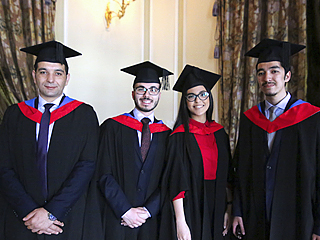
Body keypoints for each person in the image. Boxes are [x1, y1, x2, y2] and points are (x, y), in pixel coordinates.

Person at [0, 41, 102, 239]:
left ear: (67, 78)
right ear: (33, 75)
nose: (50, 79)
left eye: (58, 73)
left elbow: (87, 166)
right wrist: (30, 212)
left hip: (66, 217)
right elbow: (4, 167)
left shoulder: (84, 115)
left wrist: (51, 212)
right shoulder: (14, 115)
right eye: (43, 72)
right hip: (22, 218)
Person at [232, 39, 320, 240]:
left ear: (287, 75)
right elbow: (241, 171)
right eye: (261, 72)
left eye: (274, 71)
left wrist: (319, 226)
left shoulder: (311, 118)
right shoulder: (250, 120)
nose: (267, 77)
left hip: (298, 217)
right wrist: (237, 210)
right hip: (257, 217)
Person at [98, 61, 172, 240]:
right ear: (133, 93)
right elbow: (102, 173)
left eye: (153, 89)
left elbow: (169, 179)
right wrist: (125, 210)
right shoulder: (112, 128)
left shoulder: (168, 135)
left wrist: (147, 211)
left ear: (159, 95)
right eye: (141, 89)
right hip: (117, 218)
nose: (147, 95)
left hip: (152, 222)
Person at [159, 65, 232, 240]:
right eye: (191, 96)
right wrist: (180, 222)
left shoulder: (220, 133)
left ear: (209, 97)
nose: (198, 101)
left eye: (202, 94)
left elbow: (230, 176)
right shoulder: (178, 137)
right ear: (185, 102)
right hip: (191, 206)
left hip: (219, 204)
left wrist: (229, 208)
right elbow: (176, 182)